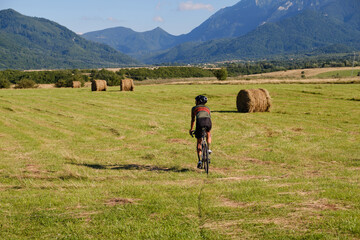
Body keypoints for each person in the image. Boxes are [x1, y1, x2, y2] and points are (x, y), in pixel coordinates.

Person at [189, 95, 212, 168]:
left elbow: (193, 120)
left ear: (199, 101)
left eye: (196, 101)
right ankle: (208, 149)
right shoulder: (208, 108)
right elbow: (209, 117)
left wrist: (191, 129)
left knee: (199, 141)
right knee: (208, 133)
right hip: (208, 121)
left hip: (200, 122)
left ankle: (199, 161)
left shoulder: (194, 108)